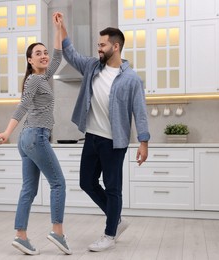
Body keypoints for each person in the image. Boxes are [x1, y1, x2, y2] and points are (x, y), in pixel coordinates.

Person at [55, 12, 150, 252]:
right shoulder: (91, 67)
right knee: (86, 182)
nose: (99, 48)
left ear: (115, 47)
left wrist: (143, 142)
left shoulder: (131, 79)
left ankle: (109, 234)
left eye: (102, 44)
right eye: (98, 44)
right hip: (92, 137)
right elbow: (71, 53)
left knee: (113, 187)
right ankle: (115, 218)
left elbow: (139, 112)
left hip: (114, 142)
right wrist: (62, 28)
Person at [0, 13, 71, 256]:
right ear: (29, 60)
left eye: (44, 51)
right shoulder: (34, 82)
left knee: (29, 189)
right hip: (35, 136)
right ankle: (57, 232)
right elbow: (23, 105)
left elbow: (58, 56)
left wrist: (60, 27)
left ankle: (21, 235)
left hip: (28, 139)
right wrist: (6, 131)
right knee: (58, 183)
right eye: (38, 53)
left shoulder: (43, 77)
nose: (44, 55)